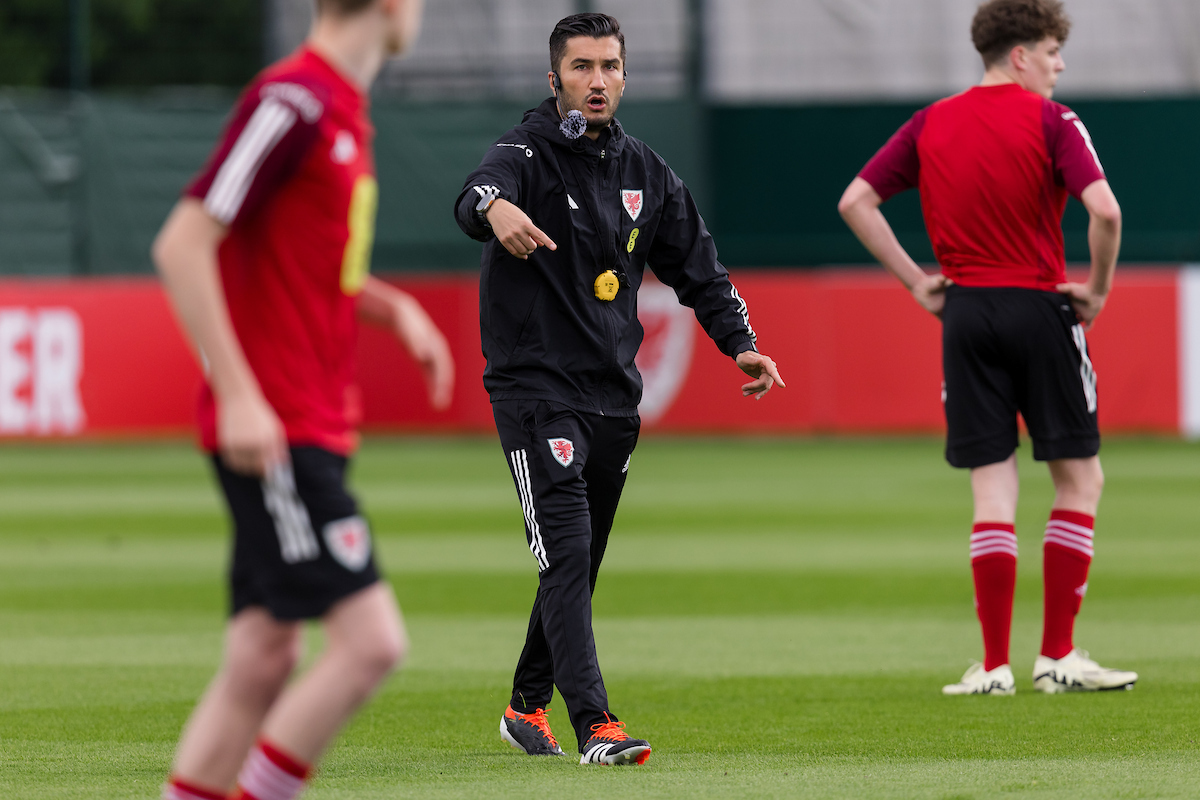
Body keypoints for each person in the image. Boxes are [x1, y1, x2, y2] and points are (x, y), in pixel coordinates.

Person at [454, 12, 784, 765]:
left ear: (624, 77)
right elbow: (475, 192)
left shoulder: (646, 172)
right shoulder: (524, 152)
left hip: (613, 399)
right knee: (566, 556)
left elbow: (700, 267)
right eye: (580, 67)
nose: (596, 81)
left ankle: (524, 702)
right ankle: (595, 725)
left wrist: (741, 345)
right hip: (537, 391)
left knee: (578, 562)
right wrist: (494, 207)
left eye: (608, 66)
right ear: (554, 79)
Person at [151, 1, 453, 798]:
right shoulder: (295, 102)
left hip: (304, 420)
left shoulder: (339, 110)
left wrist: (395, 311)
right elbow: (184, 243)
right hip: (280, 428)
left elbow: (305, 266)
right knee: (370, 645)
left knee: (262, 658)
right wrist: (241, 395)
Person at [839, 0, 1136, 696]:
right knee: (1080, 480)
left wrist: (918, 283)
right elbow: (1107, 210)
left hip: (966, 313)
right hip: (1040, 305)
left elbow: (856, 201)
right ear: (1021, 55)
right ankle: (1057, 656)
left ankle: (995, 665)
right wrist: (1096, 290)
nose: (1060, 66)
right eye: (1054, 51)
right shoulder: (1053, 121)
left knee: (992, 485)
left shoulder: (931, 122)